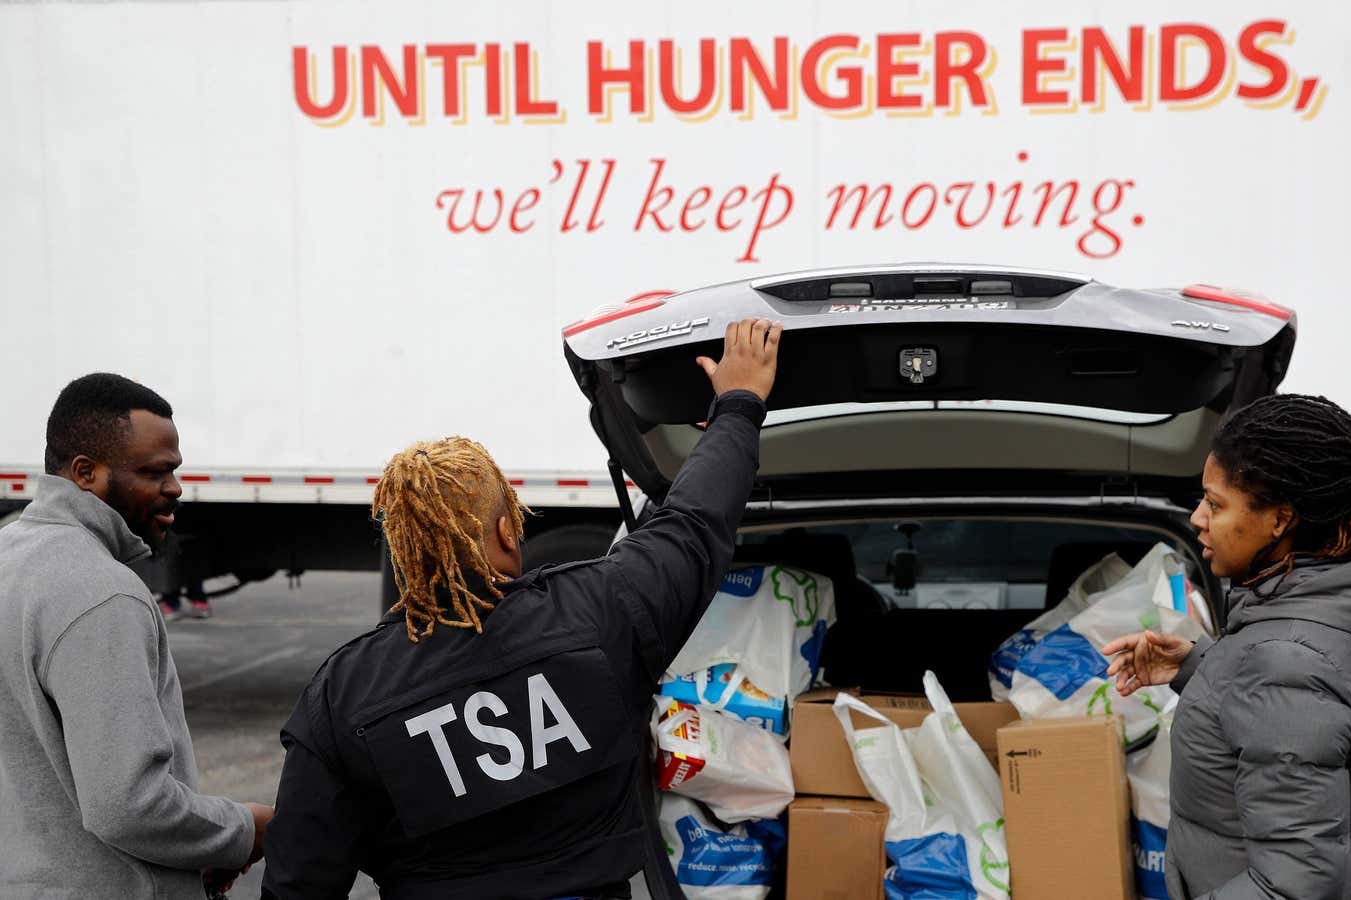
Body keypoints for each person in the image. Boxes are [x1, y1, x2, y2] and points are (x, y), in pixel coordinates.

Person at [262, 318, 782, 899]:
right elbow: (693, 523)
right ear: (509, 531)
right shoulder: (602, 609)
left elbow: (297, 884)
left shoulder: (340, 697)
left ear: (404, 556)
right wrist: (738, 404)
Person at [1102, 394, 1351, 900]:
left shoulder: (1285, 664)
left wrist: (1247, 670)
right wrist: (1208, 666)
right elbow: (1312, 711)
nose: (1197, 518)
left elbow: (1292, 883)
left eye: (1215, 504)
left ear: (1280, 521)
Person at [0, 373, 274, 898]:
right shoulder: (103, 594)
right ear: (86, 473)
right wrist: (244, 830)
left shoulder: (12, 557)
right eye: (155, 472)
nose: (174, 488)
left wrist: (196, 849)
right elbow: (129, 805)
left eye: (175, 471)